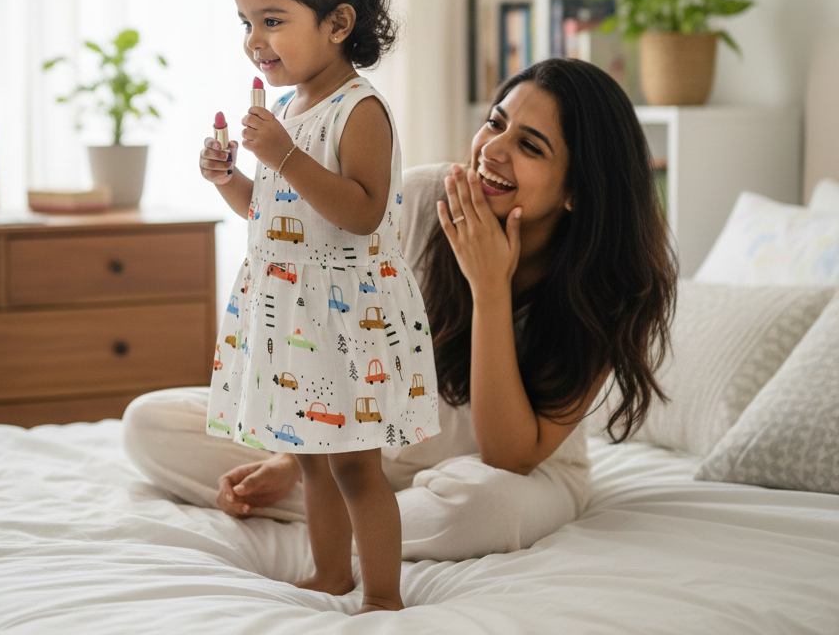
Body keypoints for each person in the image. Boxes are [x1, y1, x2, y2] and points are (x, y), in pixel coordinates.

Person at [123, 58, 676, 586]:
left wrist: (490, 289)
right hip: (364, 440)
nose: (493, 150)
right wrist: (295, 453)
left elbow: (509, 455)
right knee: (150, 423)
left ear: (578, 188)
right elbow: (330, 331)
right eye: (496, 123)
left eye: (530, 146)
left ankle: (351, 510)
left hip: (503, 473)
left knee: (481, 509)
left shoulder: (612, 289)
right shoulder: (417, 196)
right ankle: (352, 501)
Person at [197, 0, 439, 614]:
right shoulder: (294, 108)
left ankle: (385, 595)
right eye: (247, 22)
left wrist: (284, 154)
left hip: (345, 321)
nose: (254, 40)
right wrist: (231, 179)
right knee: (309, 459)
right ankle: (332, 575)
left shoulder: (359, 109)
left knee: (357, 465)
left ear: (338, 24)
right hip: (290, 309)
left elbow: (360, 212)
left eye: (273, 21)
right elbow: (276, 216)